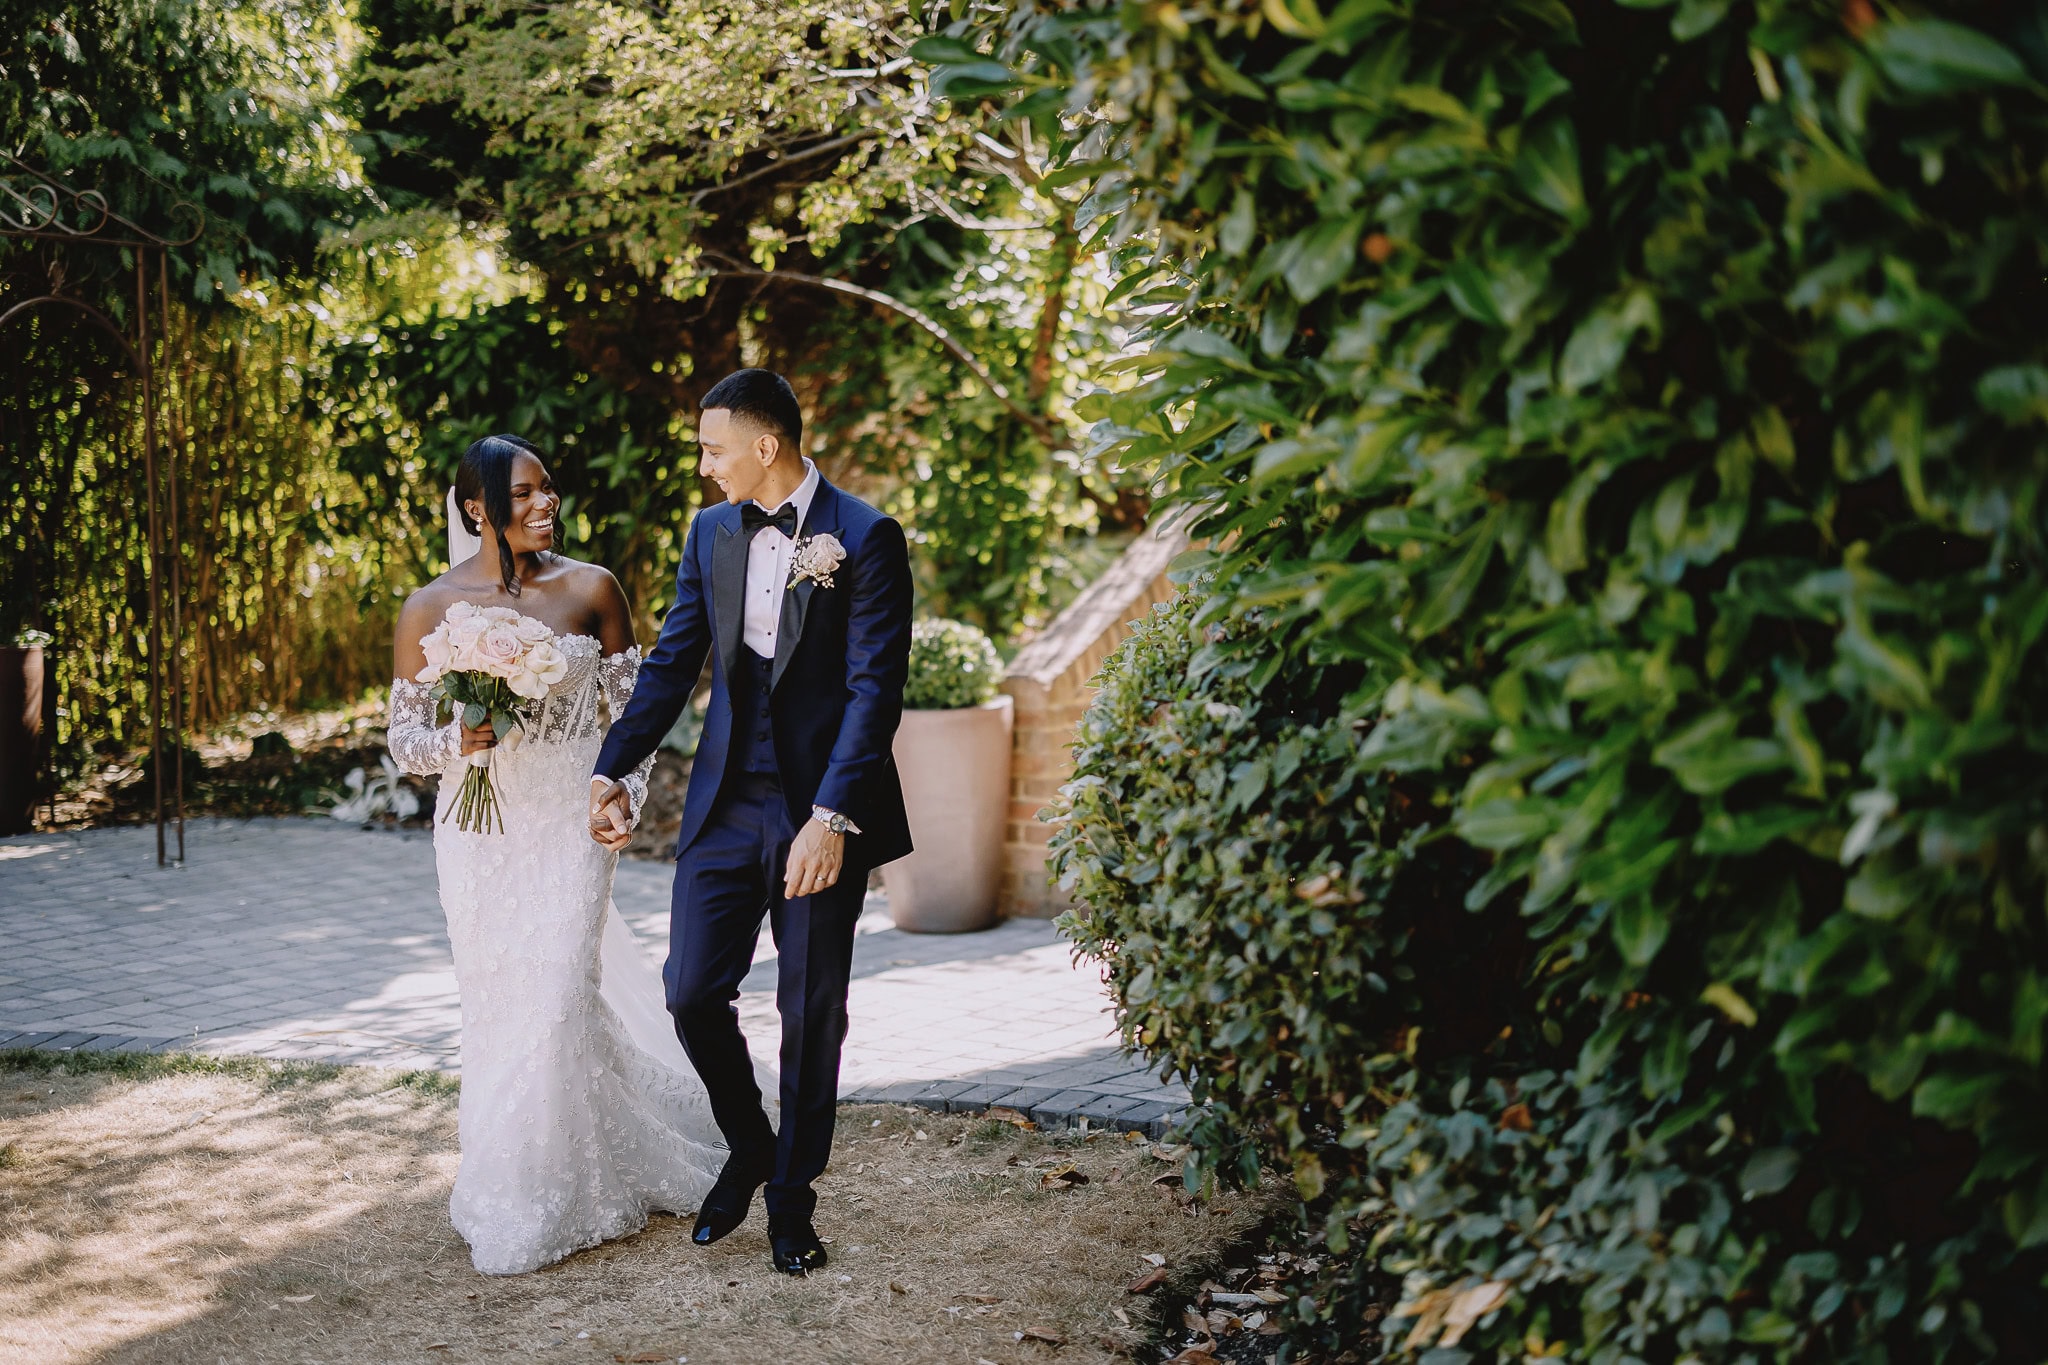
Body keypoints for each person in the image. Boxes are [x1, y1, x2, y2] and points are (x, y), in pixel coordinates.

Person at [386, 433, 763, 1276]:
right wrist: (460, 734)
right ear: (476, 508)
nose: (544, 503)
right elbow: (405, 739)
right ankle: (508, 1176)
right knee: (500, 1003)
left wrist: (619, 789)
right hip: (478, 832)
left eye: (548, 488)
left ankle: (559, 1188)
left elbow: (635, 714)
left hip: (570, 819)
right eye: (522, 493)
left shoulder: (594, 588)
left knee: (559, 990)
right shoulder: (429, 607)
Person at [589, 368, 913, 1276]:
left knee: (811, 1010)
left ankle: (792, 1198)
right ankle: (751, 1140)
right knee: (691, 989)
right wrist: (611, 764)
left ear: (764, 447)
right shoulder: (711, 533)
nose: (704, 466)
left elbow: (873, 691)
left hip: (822, 811)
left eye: (712, 448)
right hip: (726, 803)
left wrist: (832, 816)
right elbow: (672, 663)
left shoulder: (866, 537)